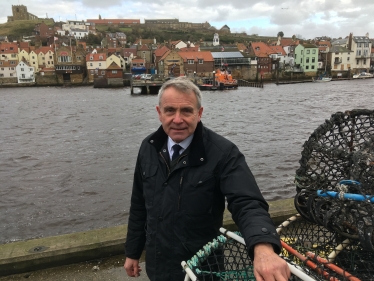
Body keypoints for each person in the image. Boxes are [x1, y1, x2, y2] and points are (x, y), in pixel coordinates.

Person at [124, 77, 290, 280]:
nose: (177, 119)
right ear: (159, 113)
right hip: (158, 265)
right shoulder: (148, 147)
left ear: (199, 113)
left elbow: (246, 202)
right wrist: (133, 251)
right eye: (170, 111)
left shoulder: (223, 153)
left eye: (186, 111)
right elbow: (139, 204)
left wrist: (263, 248)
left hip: (203, 270)